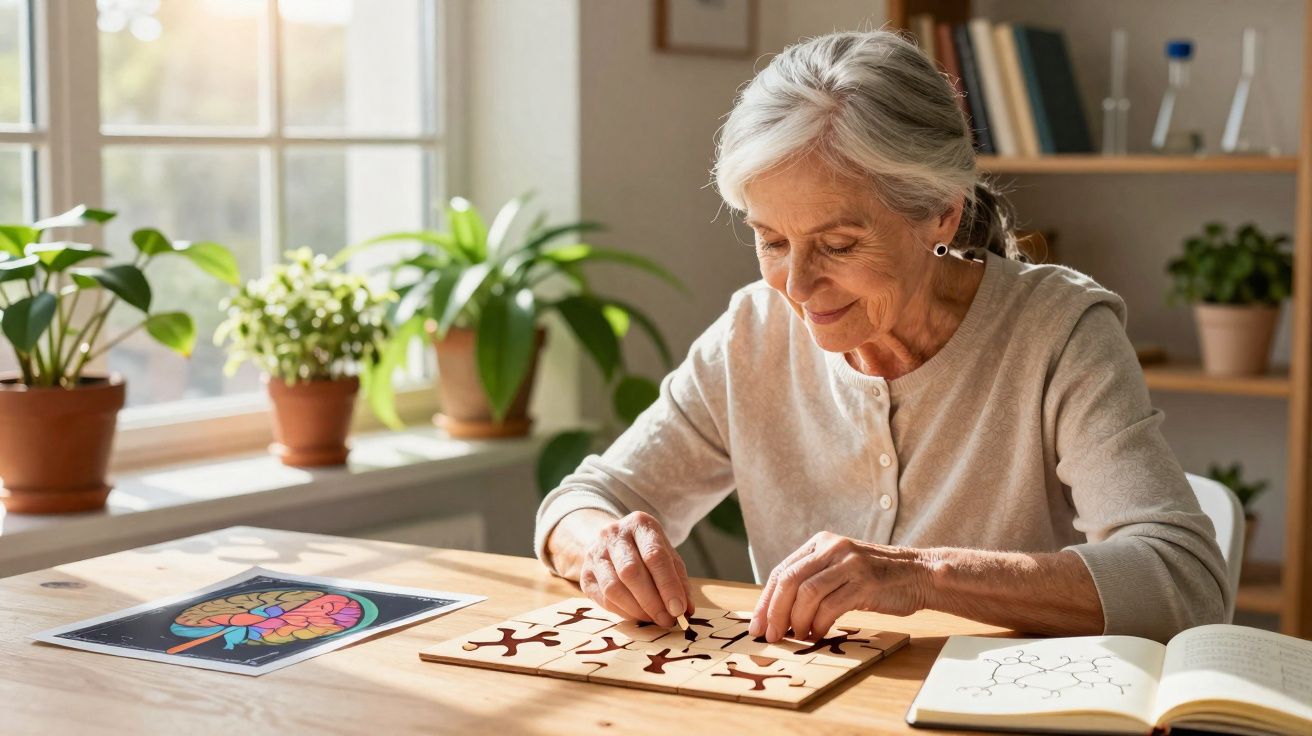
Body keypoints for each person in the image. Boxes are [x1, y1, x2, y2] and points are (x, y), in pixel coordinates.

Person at [534, 30, 1228, 644]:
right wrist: (604, 544)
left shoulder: (1057, 332)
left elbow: (1182, 579)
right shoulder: (754, 332)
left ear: (942, 216)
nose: (797, 287)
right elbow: (582, 501)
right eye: (771, 240)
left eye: (837, 244)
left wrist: (923, 575)